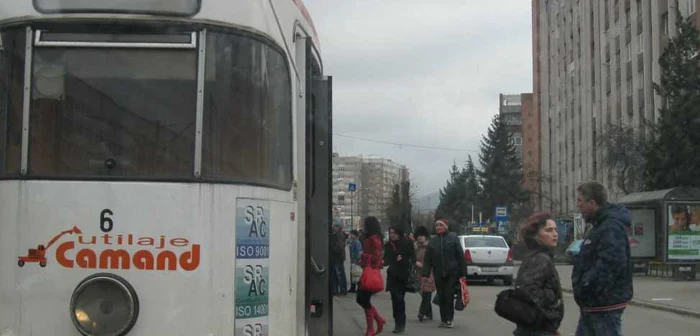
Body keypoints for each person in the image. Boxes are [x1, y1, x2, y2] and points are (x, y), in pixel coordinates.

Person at [573, 182, 633, 336]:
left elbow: (612, 263)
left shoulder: (610, 227)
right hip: (594, 306)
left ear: (592, 203)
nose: (578, 205)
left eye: (580, 200)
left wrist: (587, 285)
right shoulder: (600, 225)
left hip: (604, 306)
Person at [513, 212, 564, 336]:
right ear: (535, 236)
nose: (555, 234)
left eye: (555, 230)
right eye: (549, 230)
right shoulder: (540, 259)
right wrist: (552, 296)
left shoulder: (535, 256)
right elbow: (528, 291)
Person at [421, 217, 467, 328]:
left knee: (449, 295)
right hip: (438, 273)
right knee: (441, 296)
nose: (438, 227)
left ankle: (449, 319)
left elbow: (460, 256)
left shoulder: (453, 238)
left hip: (452, 273)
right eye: (436, 225)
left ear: (446, 227)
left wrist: (463, 273)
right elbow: (427, 259)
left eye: (440, 225)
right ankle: (443, 319)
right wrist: (425, 274)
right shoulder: (433, 241)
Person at [356, 217, 387, 336]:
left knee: (363, 299)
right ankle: (378, 321)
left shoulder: (374, 237)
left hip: (371, 271)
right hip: (368, 269)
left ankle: (372, 328)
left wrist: (364, 256)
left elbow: (377, 256)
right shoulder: (370, 236)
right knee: (361, 299)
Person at [383, 226, 415, 334]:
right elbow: (386, 260)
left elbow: (412, 258)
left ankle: (401, 323)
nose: (392, 235)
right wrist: (392, 260)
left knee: (399, 299)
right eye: (391, 233)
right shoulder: (388, 245)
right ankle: (397, 322)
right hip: (392, 276)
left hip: (403, 276)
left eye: (394, 233)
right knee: (395, 300)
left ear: (399, 233)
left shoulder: (407, 243)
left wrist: (403, 260)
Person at [414, 226, 435, 322]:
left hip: (430, 273)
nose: (420, 237)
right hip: (419, 274)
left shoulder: (430, 247)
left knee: (427, 293)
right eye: (418, 236)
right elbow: (411, 259)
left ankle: (421, 313)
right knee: (424, 294)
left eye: (422, 236)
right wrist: (415, 262)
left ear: (426, 236)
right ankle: (429, 313)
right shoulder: (415, 248)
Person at [330, 224, 348, 296]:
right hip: (337, 257)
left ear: (338, 227)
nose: (333, 227)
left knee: (339, 274)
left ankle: (342, 290)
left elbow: (340, 246)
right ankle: (337, 290)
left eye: (334, 226)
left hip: (338, 257)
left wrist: (333, 248)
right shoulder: (338, 234)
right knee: (337, 274)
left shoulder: (339, 235)